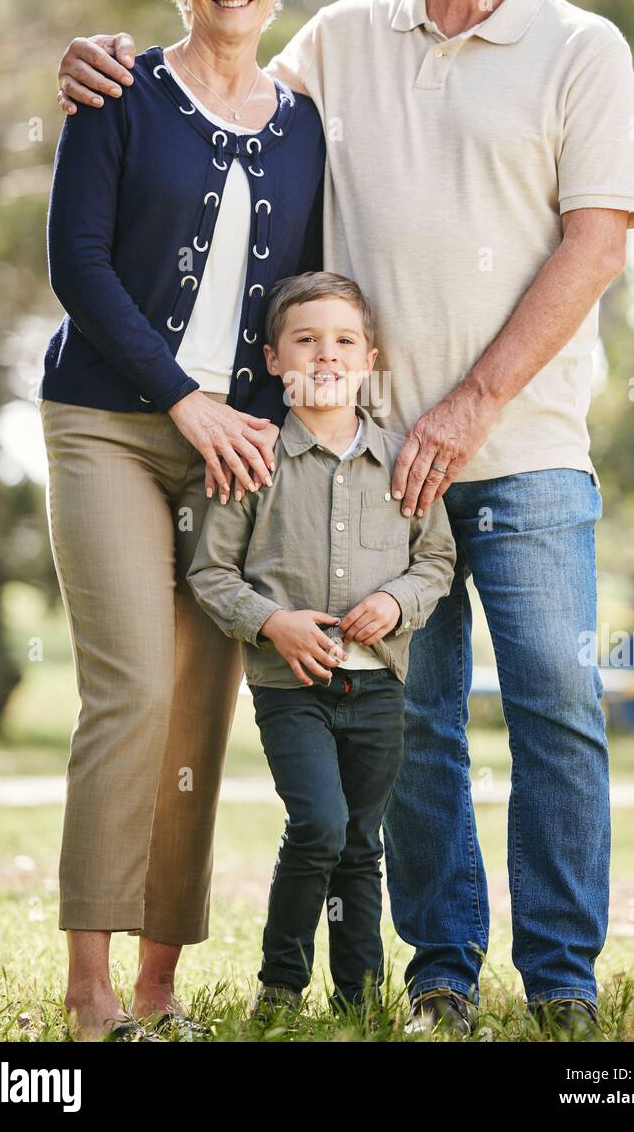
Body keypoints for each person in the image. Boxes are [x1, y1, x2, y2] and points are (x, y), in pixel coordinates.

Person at [55, 0, 634, 1039]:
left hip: (523, 444)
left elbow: (597, 239)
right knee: (412, 718)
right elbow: (211, 81)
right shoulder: (341, 41)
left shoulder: (582, 46)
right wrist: (98, 61)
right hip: (369, 464)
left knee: (551, 698)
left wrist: (472, 401)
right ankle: (439, 972)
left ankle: (561, 986)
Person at [39, 0, 324, 1040]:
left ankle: (159, 991)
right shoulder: (116, 96)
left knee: (200, 712)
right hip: (109, 420)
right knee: (134, 691)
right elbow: (79, 267)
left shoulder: (305, 120)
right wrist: (184, 401)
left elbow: (302, 281)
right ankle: (87, 991)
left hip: (235, 449)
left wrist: (274, 413)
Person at [186, 272, 456, 1015]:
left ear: (370, 359)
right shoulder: (254, 459)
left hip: (377, 688)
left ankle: (360, 1000)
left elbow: (435, 562)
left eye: (344, 341)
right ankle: (280, 986)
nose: (326, 356)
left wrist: (393, 602)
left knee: (361, 845)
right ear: (274, 360)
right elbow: (209, 572)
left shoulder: (405, 463)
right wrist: (272, 621)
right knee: (318, 826)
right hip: (289, 687)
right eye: (306, 341)